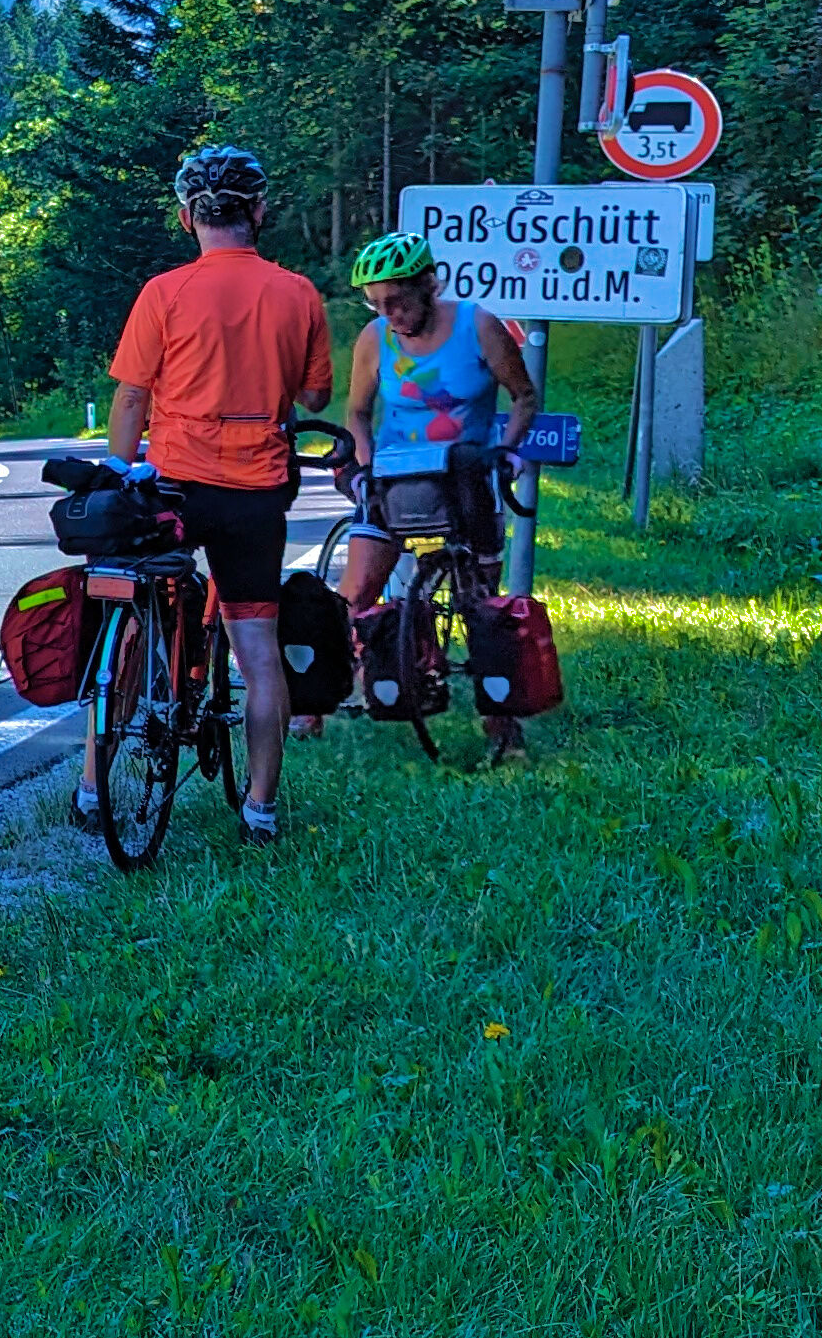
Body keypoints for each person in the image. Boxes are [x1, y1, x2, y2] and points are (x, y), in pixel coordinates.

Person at [80, 144, 336, 842]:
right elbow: (317, 395)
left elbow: (131, 398)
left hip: (176, 487)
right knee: (258, 649)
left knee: (138, 617)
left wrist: (120, 472)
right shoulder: (298, 293)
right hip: (256, 494)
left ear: (187, 217)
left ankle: (93, 788)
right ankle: (260, 810)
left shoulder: (164, 292)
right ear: (259, 211)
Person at [337, 232, 539, 608]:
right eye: (375, 304)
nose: (388, 314)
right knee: (355, 597)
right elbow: (358, 412)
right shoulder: (375, 337)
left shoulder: (478, 326)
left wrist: (506, 451)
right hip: (395, 474)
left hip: (463, 474)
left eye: (396, 301)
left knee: (479, 604)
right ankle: (364, 645)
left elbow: (524, 396)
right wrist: (365, 468)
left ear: (428, 286)